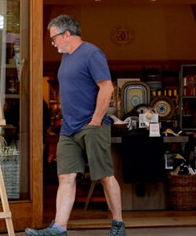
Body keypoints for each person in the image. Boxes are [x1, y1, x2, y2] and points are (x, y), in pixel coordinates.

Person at [26, 14, 125, 236]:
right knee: (66, 177)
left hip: (91, 126)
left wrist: (95, 122)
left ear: (67, 34)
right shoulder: (67, 57)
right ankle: (59, 228)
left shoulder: (91, 53)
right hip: (69, 129)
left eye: (54, 38)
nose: (53, 43)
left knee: (104, 175)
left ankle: (118, 224)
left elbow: (106, 88)